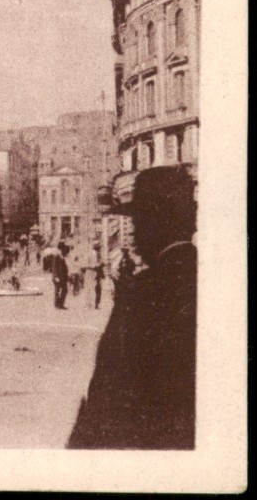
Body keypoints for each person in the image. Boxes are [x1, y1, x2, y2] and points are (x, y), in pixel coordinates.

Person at [68, 166, 197, 450]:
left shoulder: (142, 292)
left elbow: (109, 387)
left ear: (154, 222)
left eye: (138, 221)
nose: (134, 232)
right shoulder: (213, 282)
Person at [51, 243, 70, 310]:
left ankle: (61, 304)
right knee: (57, 291)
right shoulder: (56, 256)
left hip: (63, 277)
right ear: (60, 249)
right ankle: (57, 305)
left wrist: (67, 276)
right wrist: (56, 276)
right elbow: (54, 267)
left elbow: (65, 268)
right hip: (57, 277)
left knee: (65, 290)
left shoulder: (62, 257)